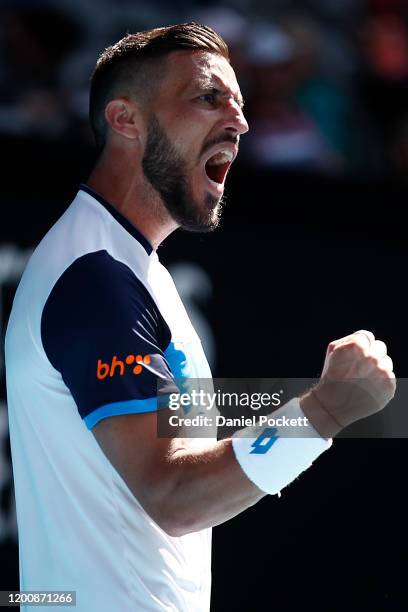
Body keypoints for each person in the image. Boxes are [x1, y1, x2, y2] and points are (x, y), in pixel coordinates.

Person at [5, 22, 395, 612]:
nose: (240, 122)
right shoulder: (96, 279)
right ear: (125, 119)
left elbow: (181, 420)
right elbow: (172, 493)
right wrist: (323, 411)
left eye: (239, 105)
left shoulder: (128, 268)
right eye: (209, 97)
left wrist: (341, 404)